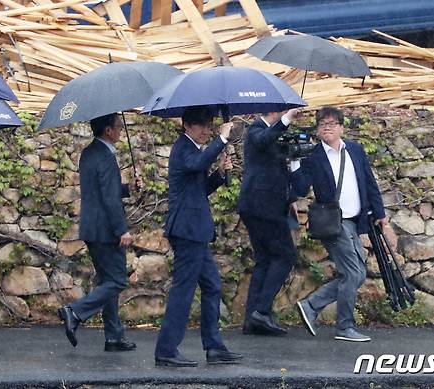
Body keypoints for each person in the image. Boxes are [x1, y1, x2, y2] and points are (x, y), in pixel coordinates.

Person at [154, 106, 242, 367]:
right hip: (187, 230)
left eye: (209, 125)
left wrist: (218, 172)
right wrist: (222, 140)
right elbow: (195, 165)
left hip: (195, 231)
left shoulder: (192, 150)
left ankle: (213, 346)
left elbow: (199, 189)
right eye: (201, 126)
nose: (206, 130)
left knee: (213, 286)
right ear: (186, 125)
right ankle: (166, 350)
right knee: (183, 290)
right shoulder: (183, 148)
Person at [291, 107, 386, 342]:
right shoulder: (313, 157)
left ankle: (312, 304)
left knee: (358, 273)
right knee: (353, 272)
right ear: (317, 129)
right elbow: (299, 188)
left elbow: (369, 182)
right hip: (333, 222)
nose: (327, 127)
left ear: (341, 127)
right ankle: (345, 326)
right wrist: (294, 163)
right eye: (322, 124)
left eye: (332, 123)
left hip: (355, 220)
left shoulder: (354, 150)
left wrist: (380, 213)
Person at [58, 113, 140, 352]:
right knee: (117, 281)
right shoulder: (105, 156)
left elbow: (103, 190)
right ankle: (75, 311)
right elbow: (108, 198)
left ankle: (114, 336)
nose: (120, 131)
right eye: (118, 127)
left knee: (108, 280)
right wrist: (121, 229)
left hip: (92, 227)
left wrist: (129, 188)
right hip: (106, 230)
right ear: (107, 131)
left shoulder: (90, 152)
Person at [238, 109, 300, 336]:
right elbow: (264, 141)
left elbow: (277, 170)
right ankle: (261, 312)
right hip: (262, 205)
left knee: (264, 260)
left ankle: (252, 320)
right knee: (285, 256)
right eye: (283, 110)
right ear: (276, 111)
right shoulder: (256, 130)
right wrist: (287, 120)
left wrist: (291, 198)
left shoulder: (271, 134)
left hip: (263, 204)